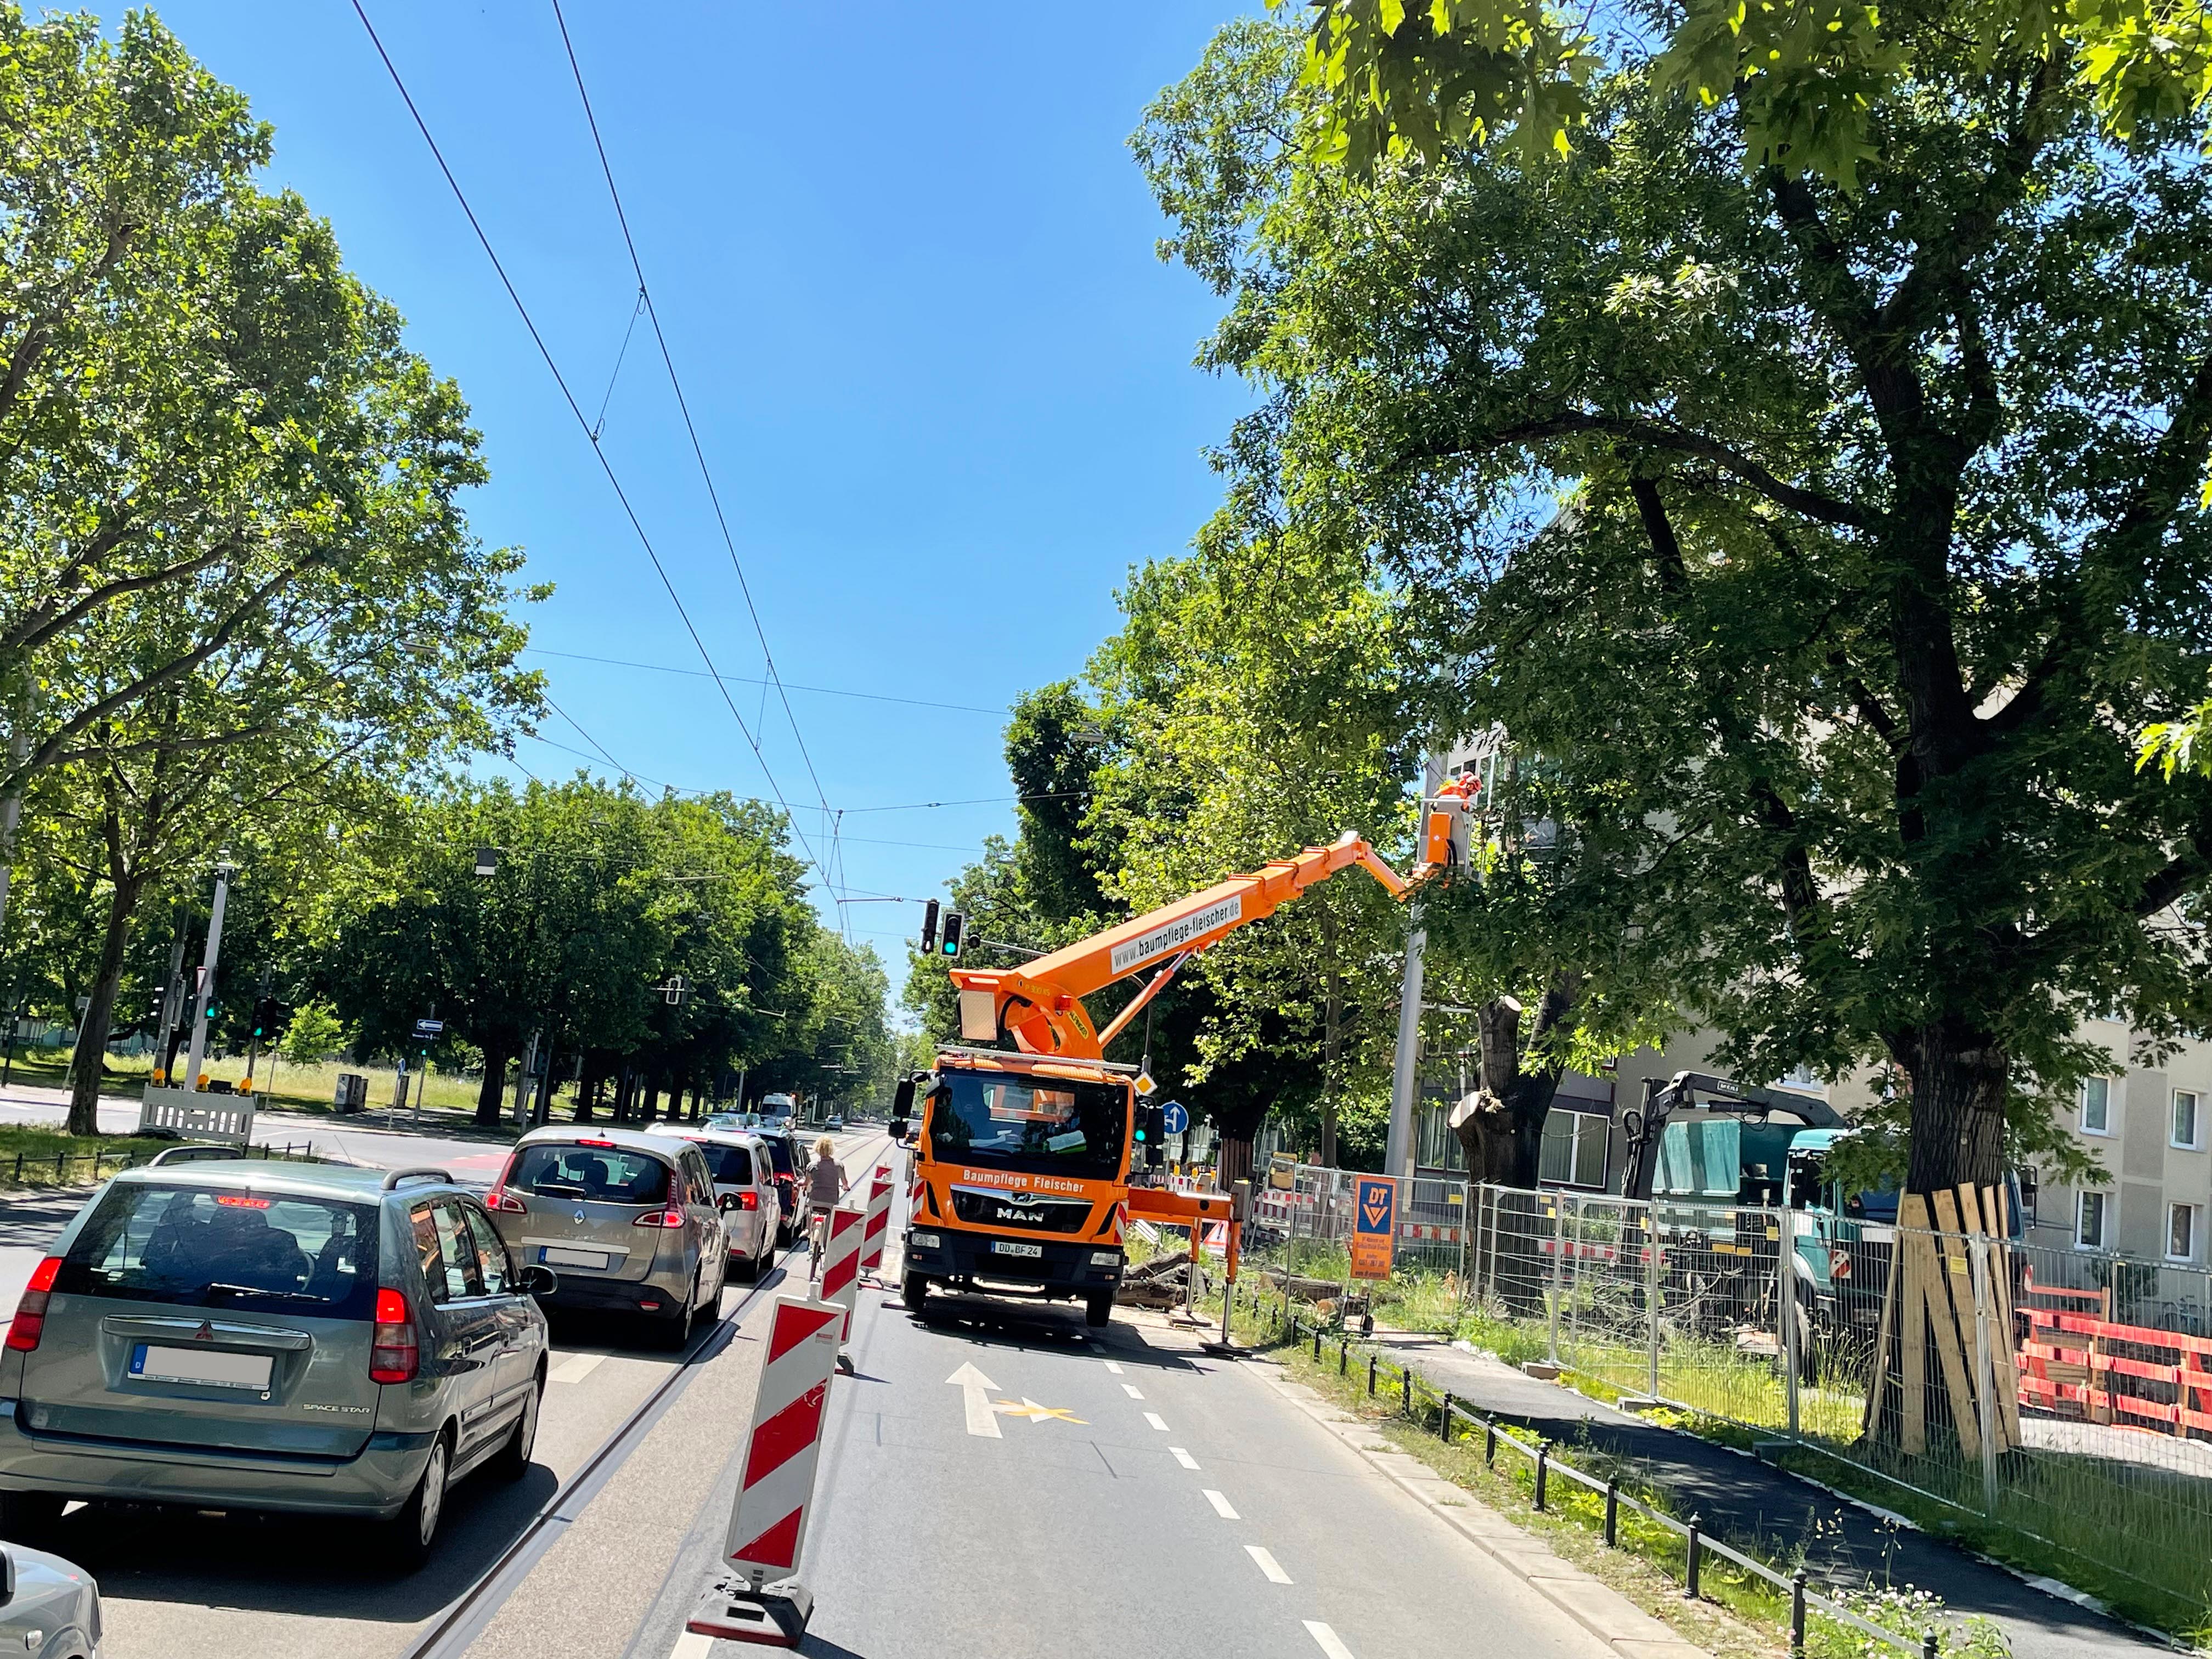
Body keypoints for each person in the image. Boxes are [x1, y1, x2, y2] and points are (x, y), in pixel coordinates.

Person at [806, 1136, 847, 1274]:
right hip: (831, 1202)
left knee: (808, 1207)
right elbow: (845, 1183)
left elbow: (807, 1183)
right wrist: (846, 1187)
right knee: (829, 1227)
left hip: (815, 1200)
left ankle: (808, 1229)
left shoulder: (812, 1166)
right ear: (831, 1149)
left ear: (817, 1149)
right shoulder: (838, 1165)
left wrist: (802, 1184)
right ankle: (827, 1248)